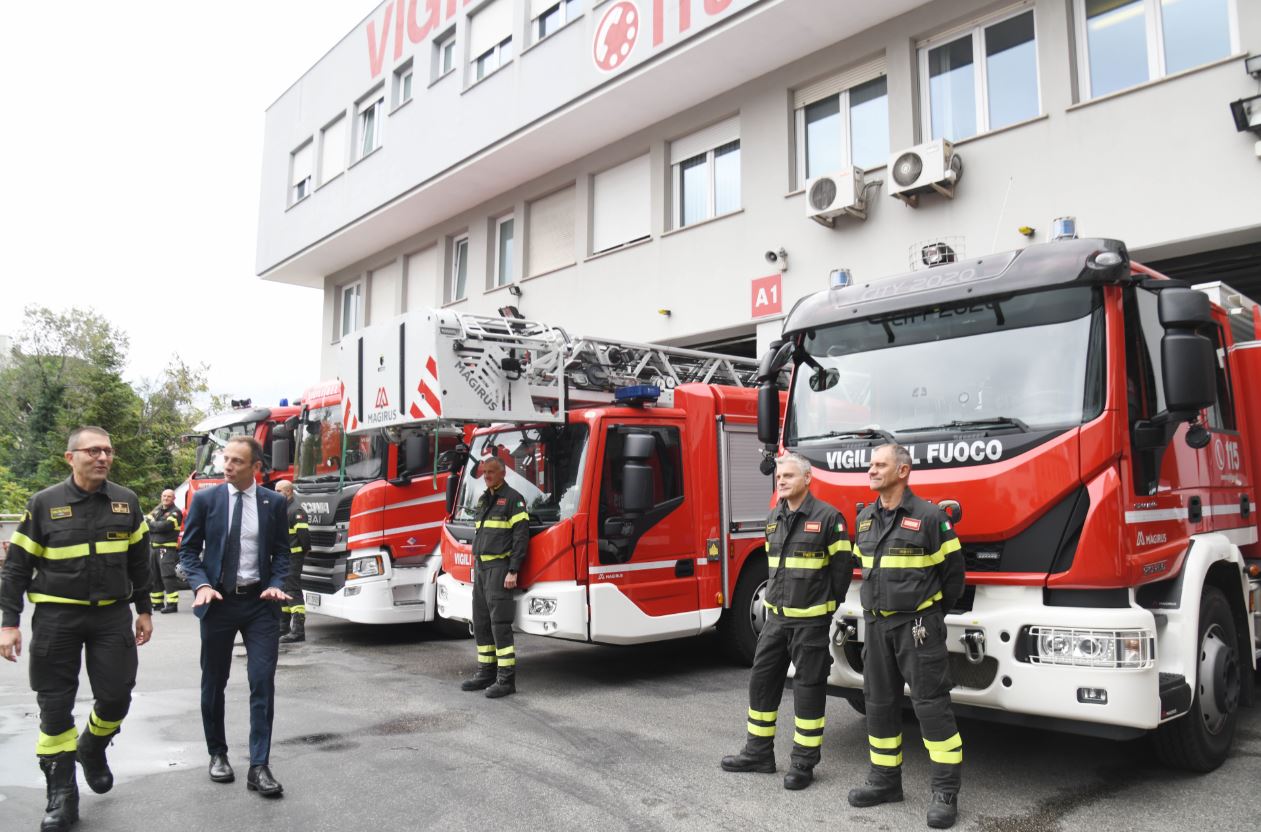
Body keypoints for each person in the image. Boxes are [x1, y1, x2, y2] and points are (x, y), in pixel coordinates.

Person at [0, 426, 154, 832]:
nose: (102, 457)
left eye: (108, 450)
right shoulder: (44, 503)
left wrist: (145, 609)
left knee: (117, 695)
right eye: (93, 451)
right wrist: (9, 623)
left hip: (111, 616)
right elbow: (16, 568)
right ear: (71, 458)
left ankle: (93, 745)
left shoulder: (126, 501)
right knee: (54, 706)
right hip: (56, 618)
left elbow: (140, 561)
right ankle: (62, 795)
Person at [847, 444, 965, 829]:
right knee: (878, 704)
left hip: (917, 628)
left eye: (880, 465)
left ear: (902, 471)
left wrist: (929, 614)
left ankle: (945, 793)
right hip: (876, 626)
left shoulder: (931, 517)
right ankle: (885, 782)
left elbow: (953, 577)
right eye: (871, 465)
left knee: (931, 705)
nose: (872, 470)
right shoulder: (865, 519)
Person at [720, 452, 852, 791]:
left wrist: (824, 608)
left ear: (807, 479)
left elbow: (841, 572)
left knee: (808, 692)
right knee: (761, 683)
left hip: (810, 624)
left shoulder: (828, 518)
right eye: (779, 477)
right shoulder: (773, 517)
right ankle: (758, 753)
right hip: (775, 621)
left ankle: (803, 764)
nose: (782, 481)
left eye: (789, 476)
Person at [178, 435, 291, 798]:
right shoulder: (207, 499)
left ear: (256, 467)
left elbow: (282, 554)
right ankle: (218, 754)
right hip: (219, 602)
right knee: (214, 681)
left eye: (236, 461)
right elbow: (189, 552)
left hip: (259, 604)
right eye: (225, 459)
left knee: (262, 681)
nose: (227, 466)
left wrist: (275, 583)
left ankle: (259, 765)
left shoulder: (272, 503)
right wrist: (200, 586)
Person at [459, 456, 529, 698]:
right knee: (481, 623)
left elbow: (521, 537)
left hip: (500, 569)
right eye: (484, 472)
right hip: (481, 569)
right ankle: (486, 672)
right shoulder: (483, 500)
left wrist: (513, 570)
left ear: (503, 473)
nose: (486, 475)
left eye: (491, 471)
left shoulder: (513, 499)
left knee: (499, 624)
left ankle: (506, 680)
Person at [272, 480, 311, 644]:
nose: (275, 493)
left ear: (288, 492)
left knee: (293, 591)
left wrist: (301, 553)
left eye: (278, 491)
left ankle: (298, 631)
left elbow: (304, 538)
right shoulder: (283, 508)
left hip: (294, 558)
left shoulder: (296, 511)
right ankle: (283, 628)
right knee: (284, 591)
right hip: (284, 557)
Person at [147, 488, 184, 613]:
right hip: (153, 549)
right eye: (164, 496)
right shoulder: (157, 510)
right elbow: (146, 521)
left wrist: (153, 524)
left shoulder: (176, 512)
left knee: (167, 576)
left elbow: (165, 526)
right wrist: (154, 524)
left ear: (173, 498)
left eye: (169, 496)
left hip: (166, 549)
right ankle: (157, 603)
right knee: (154, 576)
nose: (166, 498)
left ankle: (172, 604)